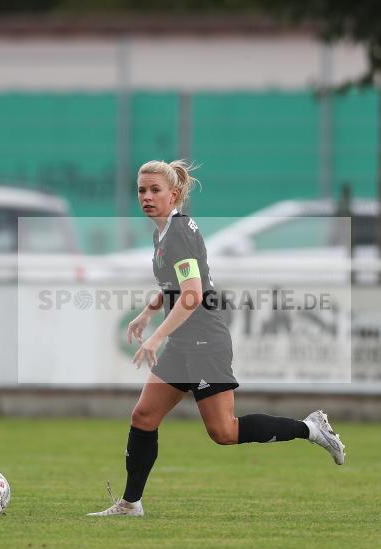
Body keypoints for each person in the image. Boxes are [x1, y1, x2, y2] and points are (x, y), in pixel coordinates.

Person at [87, 159, 346, 517]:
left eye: (154, 190)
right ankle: (131, 503)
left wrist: (157, 335)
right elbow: (177, 284)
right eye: (141, 190)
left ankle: (310, 429)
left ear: (174, 194)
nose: (146, 197)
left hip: (205, 341)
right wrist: (149, 310)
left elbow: (192, 294)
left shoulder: (178, 232)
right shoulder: (163, 231)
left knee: (224, 431)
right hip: (183, 343)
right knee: (144, 416)